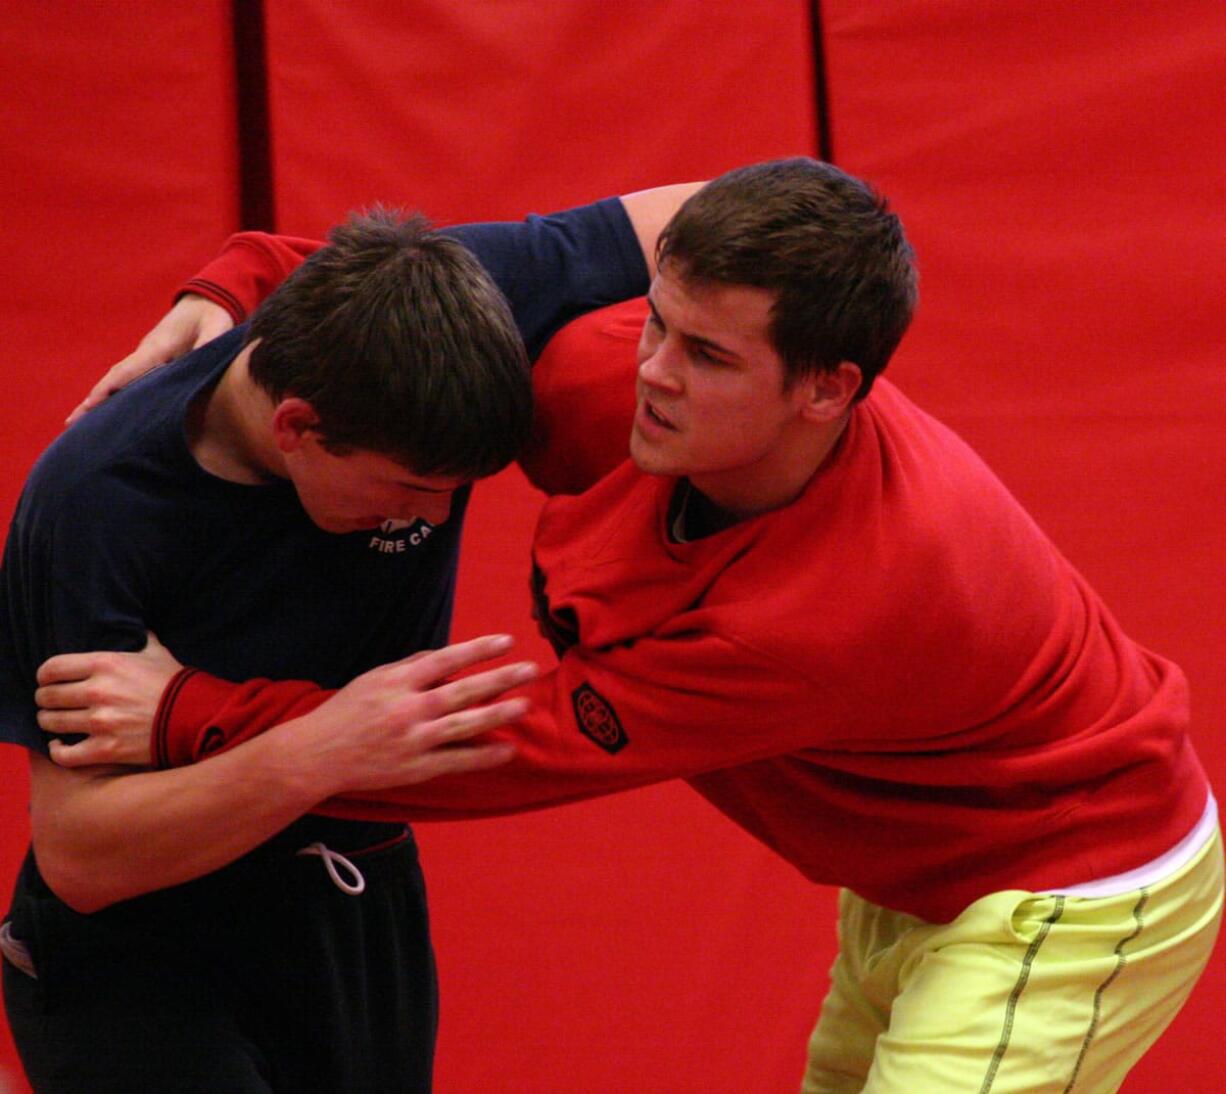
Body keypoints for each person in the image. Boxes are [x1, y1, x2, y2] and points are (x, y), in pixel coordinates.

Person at [35, 159, 1223, 1093]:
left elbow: (504, 745)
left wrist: (195, 711)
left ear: (827, 388)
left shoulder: (825, 606)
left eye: (704, 353)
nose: (652, 368)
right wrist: (242, 282)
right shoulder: (620, 374)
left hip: (1073, 872)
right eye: (657, 320)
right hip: (916, 856)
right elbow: (417, 297)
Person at [0, 183, 698, 1093]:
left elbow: (725, 212)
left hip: (353, 905)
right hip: (141, 949)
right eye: (412, 487)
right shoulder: (97, 500)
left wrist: (241, 267)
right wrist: (324, 747)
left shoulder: (441, 306)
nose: (436, 515)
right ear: (297, 427)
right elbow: (83, 856)